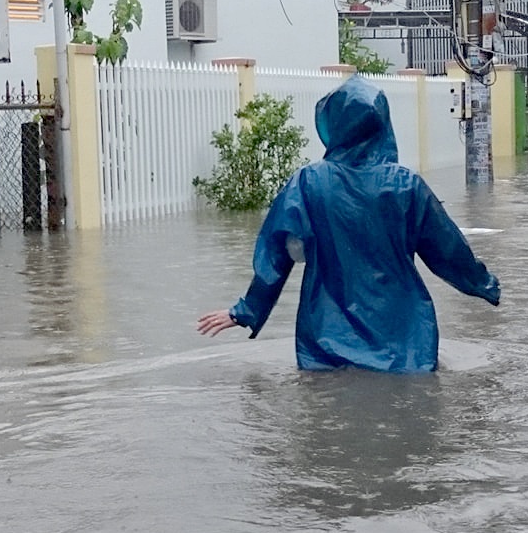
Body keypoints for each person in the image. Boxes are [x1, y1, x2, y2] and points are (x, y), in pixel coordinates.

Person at [196, 77, 500, 373]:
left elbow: (276, 254)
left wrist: (245, 311)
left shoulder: (308, 183)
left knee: (330, 412)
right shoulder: (406, 186)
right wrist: (484, 285)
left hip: (325, 339)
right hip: (405, 340)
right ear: (383, 124)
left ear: (333, 124)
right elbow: (448, 249)